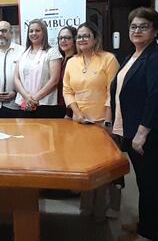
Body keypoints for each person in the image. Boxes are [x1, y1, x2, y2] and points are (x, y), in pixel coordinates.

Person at [110, 8, 158, 241]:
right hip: (131, 129)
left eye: (143, 26)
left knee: (151, 184)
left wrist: (141, 133)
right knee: (144, 182)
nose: (137, 31)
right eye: (133, 27)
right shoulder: (132, 55)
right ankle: (146, 224)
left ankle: (152, 233)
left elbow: (157, 98)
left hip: (148, 135)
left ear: (155, 31)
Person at [61, 21, 121, 217]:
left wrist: (109, 121)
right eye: (79, 36)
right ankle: (87, 207)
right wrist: (76, 113)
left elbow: (112, 93)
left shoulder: (108, 59)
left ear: (95, 38)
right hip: (79, 122)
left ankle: (105, 210)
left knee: (104, 169)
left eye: (86, 35)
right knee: (84, 166)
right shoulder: (72, 62)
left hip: (103, 122)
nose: (81, 39)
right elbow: (67, 91)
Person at [13, 19, 63, 118]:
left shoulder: (52, 52)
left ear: (44, 33)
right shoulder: (23, 53)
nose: (33, 33)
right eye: (31, 31)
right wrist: (27, 97)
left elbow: (54, 80)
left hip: (44, 105)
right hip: (24, 103)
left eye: (37, 30)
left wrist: (34, 99)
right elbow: (16, 78)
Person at [56, 26, 77, 118]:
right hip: (59, 108)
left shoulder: (77, 61)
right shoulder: (60, 60)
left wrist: (69, 112)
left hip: (72, 111)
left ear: (74, 40)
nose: (63, 41)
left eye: (67, 38)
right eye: (60, 38)